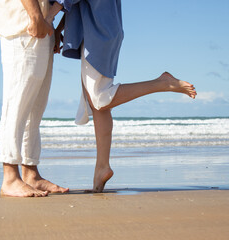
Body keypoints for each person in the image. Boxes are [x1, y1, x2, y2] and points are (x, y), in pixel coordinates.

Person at [53, 0, 197, 192]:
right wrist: (59, 27)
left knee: (100, 97)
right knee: (96, 104)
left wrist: (47, 19)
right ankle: (101, 169)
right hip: (100, 30)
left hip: (99, 31)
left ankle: (162, 83)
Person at [0, 0, 69, 197]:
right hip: (24, 24)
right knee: (16, 103)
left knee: (35, 108)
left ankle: (30, 174)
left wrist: (49, 20)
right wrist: (35, 16)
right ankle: (9, 177)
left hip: (43, 23)